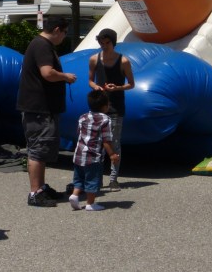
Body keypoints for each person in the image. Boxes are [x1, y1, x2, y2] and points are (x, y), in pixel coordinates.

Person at [16, 15, 77, 207]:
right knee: (38, 149)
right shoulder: (42, 45)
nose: (64, 37)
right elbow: (47, 73)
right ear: (57, 30)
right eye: (65, 33)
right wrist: (65, 76)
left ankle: (41, 187)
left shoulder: (41, 44)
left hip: (42, 107)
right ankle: (35, 192)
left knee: (42, 148)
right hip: (39, 108)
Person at [88, 28, 134, 191]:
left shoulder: (123, 61)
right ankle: (97, 178)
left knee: (114, 143)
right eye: (101, 42)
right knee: (98, 143)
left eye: (107, 43)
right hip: (99, 107)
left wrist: (118, 87)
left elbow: (131, 84)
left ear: (113, 43)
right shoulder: (94, 59)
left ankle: (113, 179)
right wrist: (97, 88)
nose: (104, 45)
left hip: (116, 107)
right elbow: (90, 81)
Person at [69, 90, 120, 211]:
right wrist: (112, 154)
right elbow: (106, 140)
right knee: (92, 180)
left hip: (79, 155)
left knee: (79, 177)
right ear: (104, 106)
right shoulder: (105, 119)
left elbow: (79, 133)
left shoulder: (82, 117)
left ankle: (75, 195)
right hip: (93, 157)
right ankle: (90, 203)